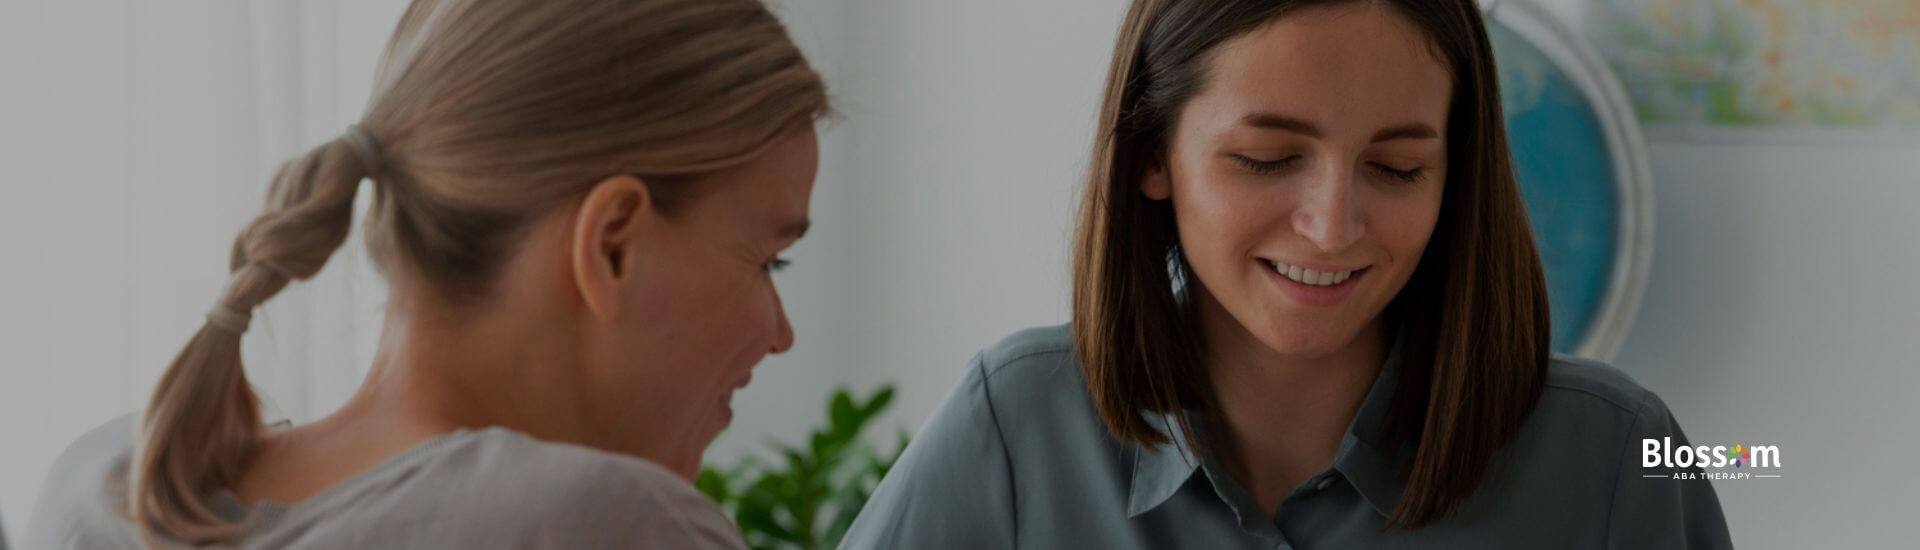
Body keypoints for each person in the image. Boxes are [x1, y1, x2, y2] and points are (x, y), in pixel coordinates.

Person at [840, 0, 1732, 548]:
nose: (1332, 225)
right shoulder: (1015, 431)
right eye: (1267, 158)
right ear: (1154, 154)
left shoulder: (1618, 458)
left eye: (1397, 168)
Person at [28, 0, 826, 547]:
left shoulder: (99, 488)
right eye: (768, 259)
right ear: (611, 243)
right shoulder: (606, 524)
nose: (780, 333)